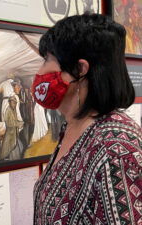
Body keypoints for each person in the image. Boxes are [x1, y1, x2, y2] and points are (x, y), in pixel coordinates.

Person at [33, 13, 142, 224]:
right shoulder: (73, 127)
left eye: (47, 60)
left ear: (80, 70)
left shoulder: (115, 147)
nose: (40, 71)